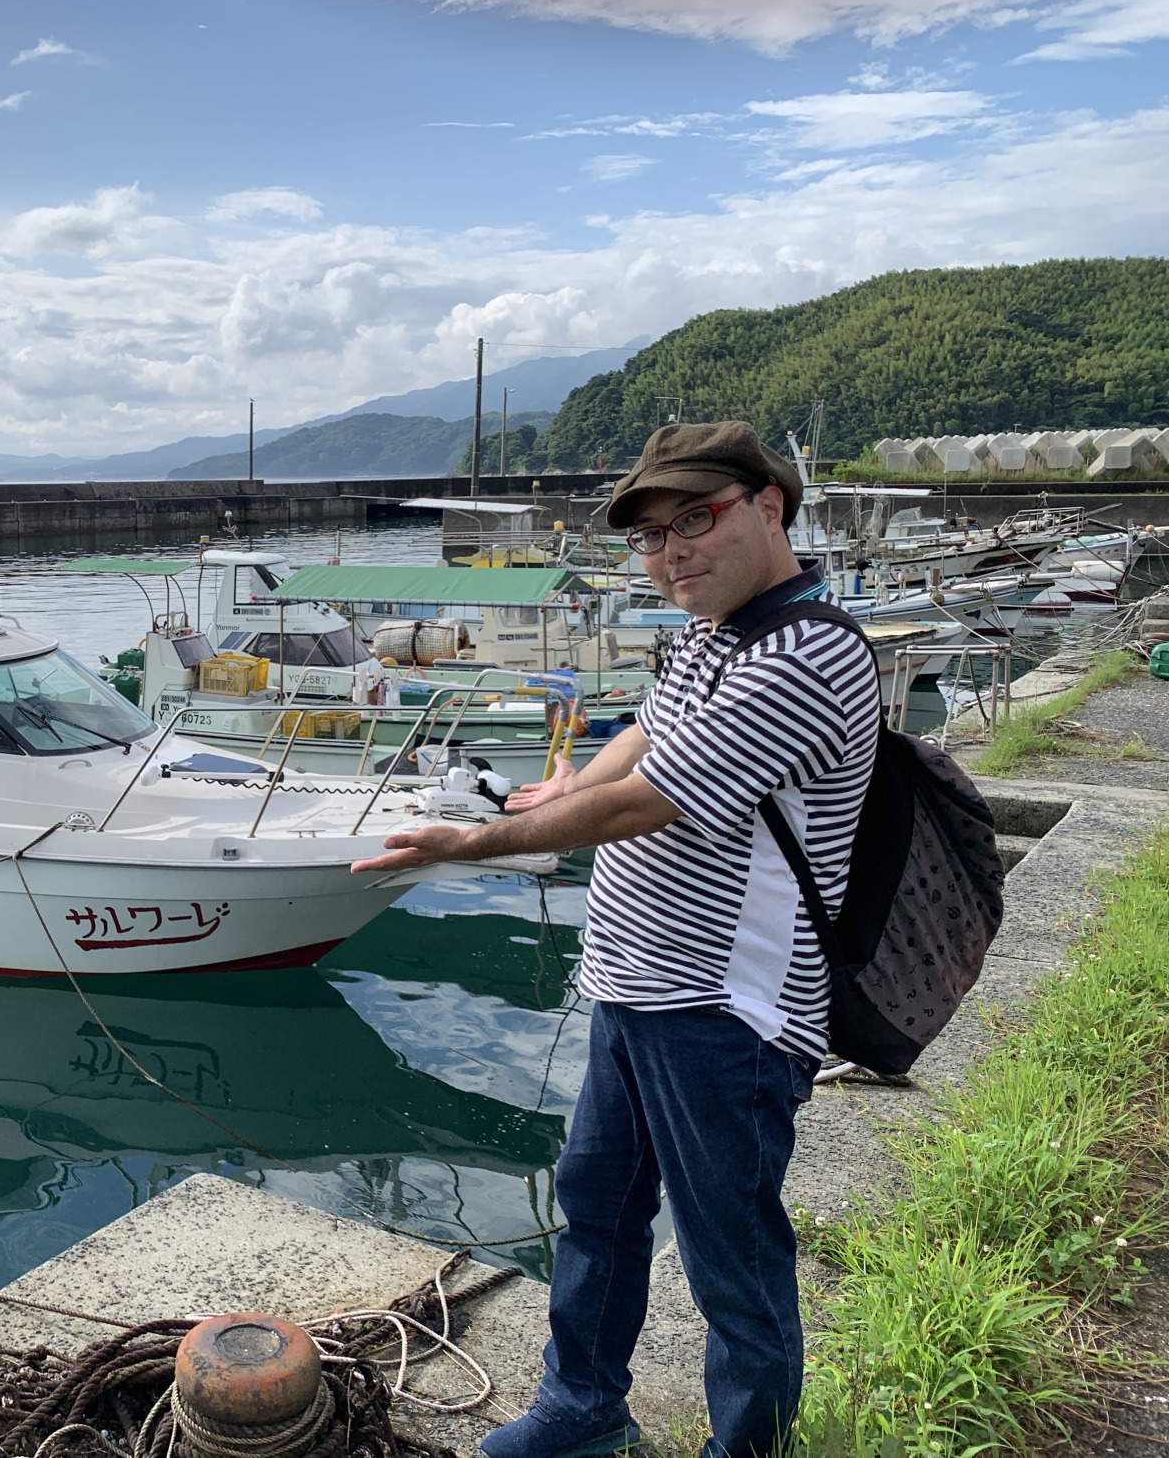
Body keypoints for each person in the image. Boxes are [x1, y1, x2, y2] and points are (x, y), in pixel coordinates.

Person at [354, 421, 879, 1458]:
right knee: (595, 1209)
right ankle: (581, 1407)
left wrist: (478, 840)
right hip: (637, 988)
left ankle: (749, 1450)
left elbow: (638, 804)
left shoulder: (805, 656)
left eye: (694, 520)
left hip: (725, 1014)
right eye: (647, 535)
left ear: (767, 506)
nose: (669, 551)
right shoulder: (713, 633)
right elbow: (641, 734)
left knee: (732, 1262)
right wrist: (564, 781)